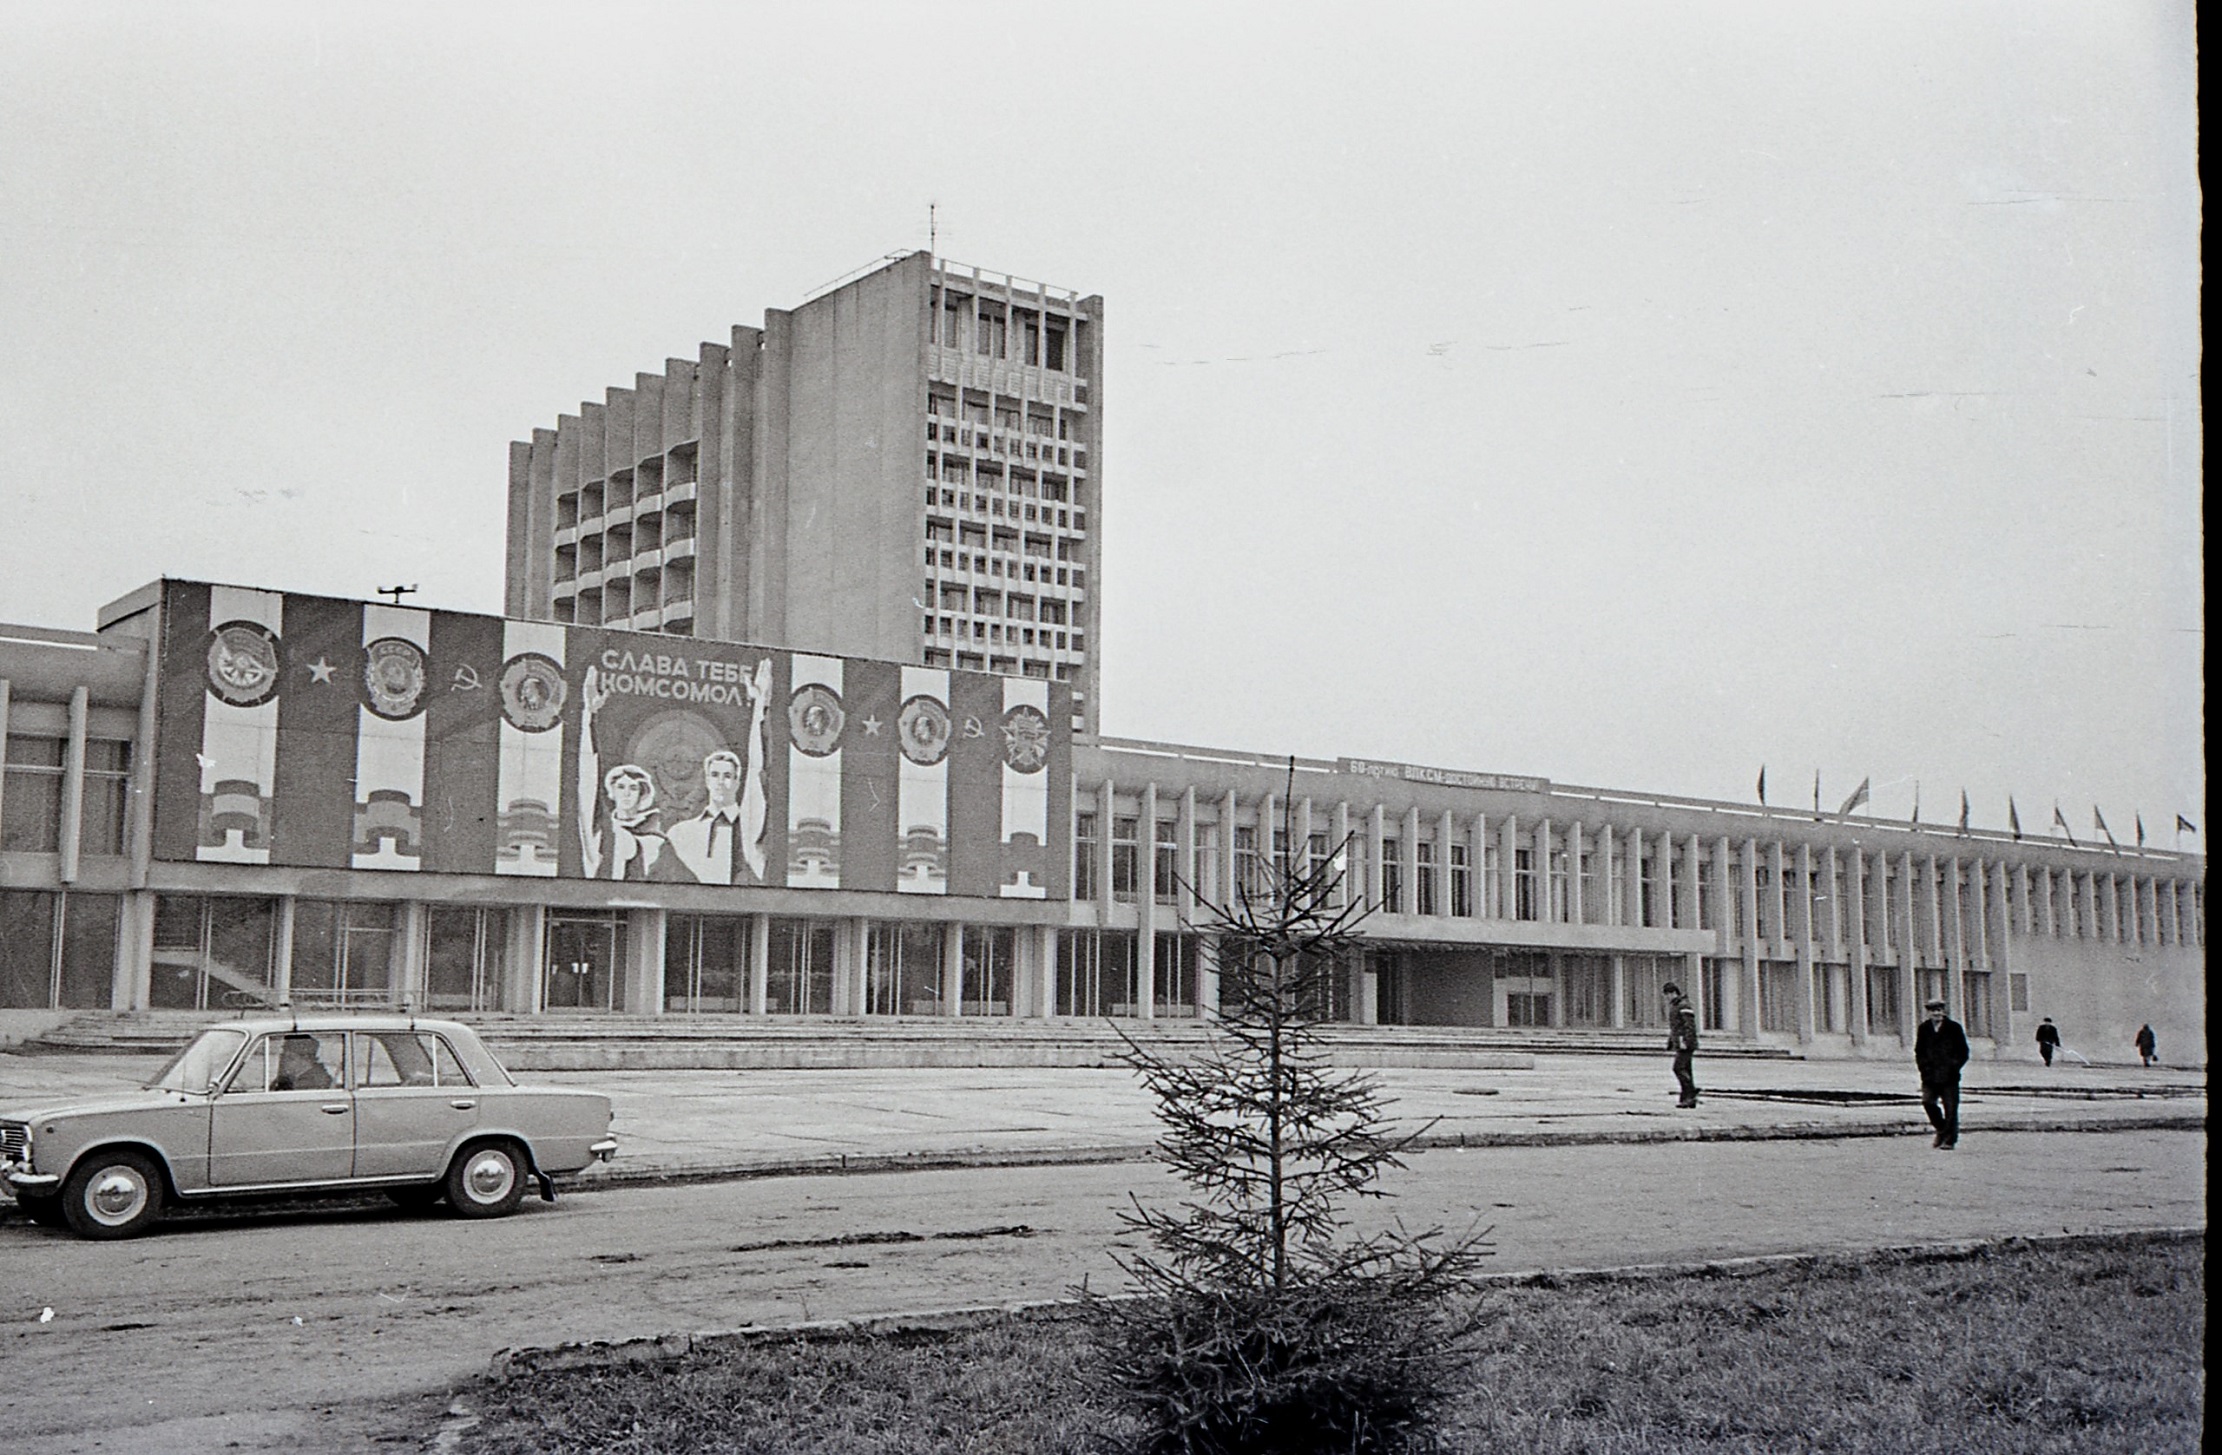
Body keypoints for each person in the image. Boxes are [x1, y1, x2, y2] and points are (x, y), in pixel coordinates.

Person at [1914, 998, 1970, 1148]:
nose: (1937, 1013)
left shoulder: (1954, 1028)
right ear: (1929, 1013)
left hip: (1949, 1076)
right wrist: (1923, 1068)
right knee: (1928, 1102)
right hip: (1930, 1076)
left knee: (1950, 1108)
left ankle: (1950, 1140)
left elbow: (1963, 1052)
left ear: (1944, 1011)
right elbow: (1919, 1051)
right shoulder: (1924, 1028)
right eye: (1933, 1011)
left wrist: (1954, 1067)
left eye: (1939, 1010)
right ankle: (1941, 1129)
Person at [1663, 981, 1699, 1108]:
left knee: (1678, 1068)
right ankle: (1687, 1099)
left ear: (1673, 993)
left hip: (1685, 1043)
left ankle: (1691, 1093)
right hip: (1680, 1042)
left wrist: (1686, 1041)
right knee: (1686, 1069)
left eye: (1667, 995)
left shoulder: (1683, 1005)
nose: (1667, 998)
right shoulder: (1676, 1005)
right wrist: (1671, 1041)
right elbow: (1675, 1027)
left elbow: (1689, 1026)